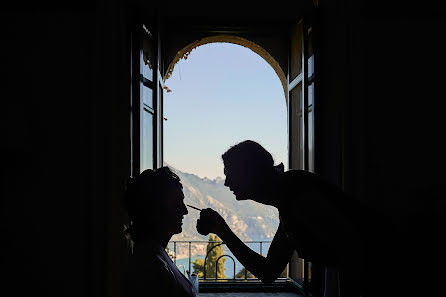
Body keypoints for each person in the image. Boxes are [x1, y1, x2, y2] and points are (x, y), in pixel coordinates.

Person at [196, 140, 388, 297]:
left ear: (250, 173)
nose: (226, 183)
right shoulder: (289, 197)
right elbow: (269, 272)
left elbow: (351, 253)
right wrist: (222, 230)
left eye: (231, 174)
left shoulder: (296, 195)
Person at [123, 166, 196, 297]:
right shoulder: (151, 266)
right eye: (177, 204)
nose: (185, 211)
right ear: (154, 210)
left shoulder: (155, 254)